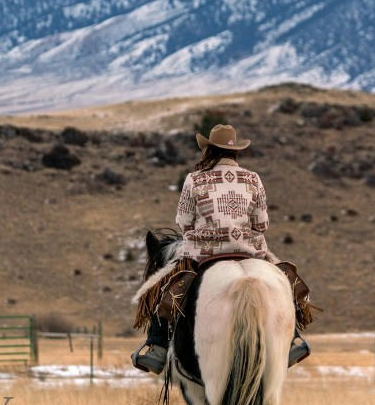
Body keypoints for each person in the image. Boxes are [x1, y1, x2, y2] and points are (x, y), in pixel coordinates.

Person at [131, 123, 315, 375]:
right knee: (284, 282)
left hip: (204, 252)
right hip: (249, 251)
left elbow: (183, 222)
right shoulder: (253, 179)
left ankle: (156, 347)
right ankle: (293, 338)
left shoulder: (194, 180)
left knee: (169, 286)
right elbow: (262, 223)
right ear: (235, 152)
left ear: (209, 151)